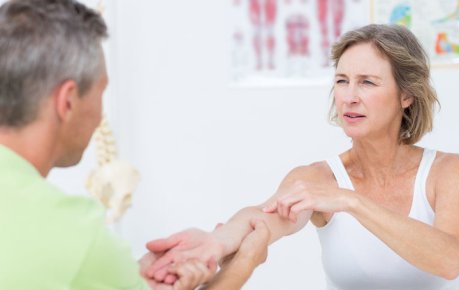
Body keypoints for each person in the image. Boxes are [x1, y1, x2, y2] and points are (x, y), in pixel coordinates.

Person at [145, 24, 459, 290]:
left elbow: (449, 260)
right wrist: (214, 243)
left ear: (406, 95)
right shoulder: (318, 179)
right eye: (342, 81)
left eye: (367, 83)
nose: (349, 97)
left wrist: (352, 201)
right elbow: (261, 219)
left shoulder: (449, 171)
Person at [0, 0, 268, 289]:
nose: (99, 112)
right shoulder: (73, 234)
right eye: (100, 91)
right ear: (67, 101)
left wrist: (120, 276)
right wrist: (241, 264)